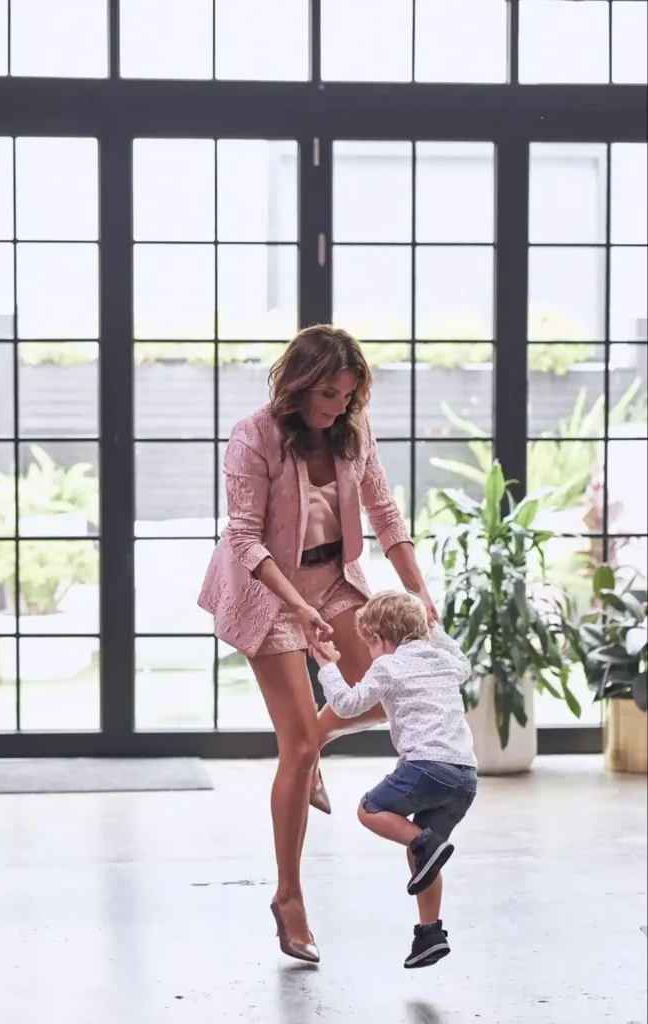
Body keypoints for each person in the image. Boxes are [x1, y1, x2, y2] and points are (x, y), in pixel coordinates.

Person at [198, 325, 438, 964]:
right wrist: (298, 608)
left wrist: (417, 593)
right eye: (328, 393)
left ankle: (311, 746)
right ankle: (289, 897)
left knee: (387, 696)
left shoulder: (354, 433)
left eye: (349, 395)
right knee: (297, 745)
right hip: (268, 588)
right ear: (300, 384)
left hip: (333, 579)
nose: (338, 406)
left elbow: (385, 514)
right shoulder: (255, 434)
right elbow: (245, 538)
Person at [311, 591, 477, 970]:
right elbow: (465, 662)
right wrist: (435, 631)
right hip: (465, 778)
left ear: (379, 639)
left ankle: (425, 841)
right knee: (423, 859)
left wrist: (327, 665)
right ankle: (429, 934)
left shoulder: (389, 666)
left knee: (369, 809)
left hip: (425, 767)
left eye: (369, 645)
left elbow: (347, 704)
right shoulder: (445, 661)